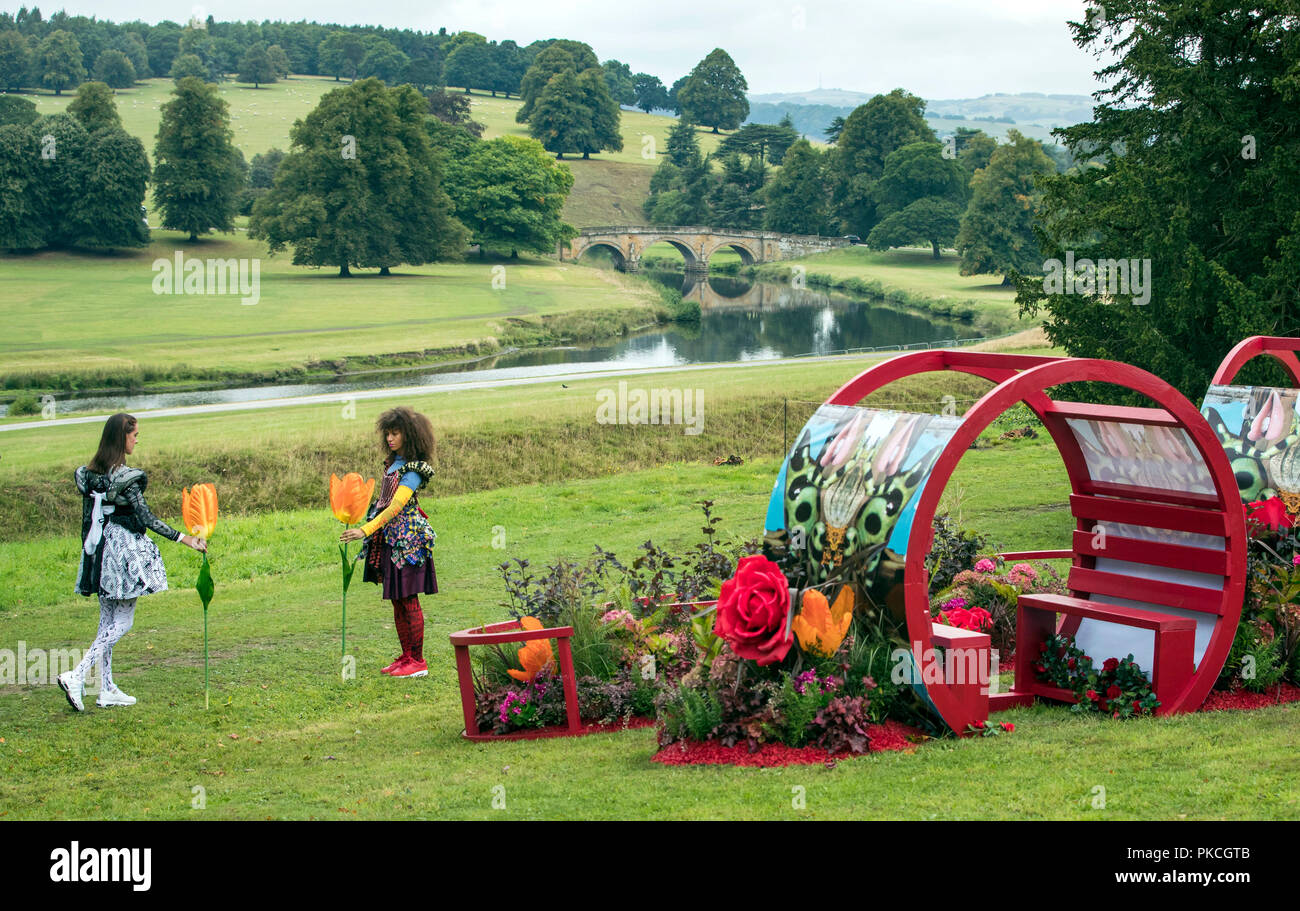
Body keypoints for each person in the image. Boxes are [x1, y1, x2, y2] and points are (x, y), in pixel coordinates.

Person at [59, 413, 207, 711]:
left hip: (98, 552)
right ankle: (76, 675)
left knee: (106, 622)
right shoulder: (127, 477)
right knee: (123, 622)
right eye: (134, 434)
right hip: (121, 552)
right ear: (121, 437)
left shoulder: (89, 475)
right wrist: (185, 539)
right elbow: (146, 518)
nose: (137, 439)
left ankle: (107, 689)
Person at [341, 407, 438, 678]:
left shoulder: (414, 469)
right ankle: (407, 655)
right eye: (388, 433)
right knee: (397, 600)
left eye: (396, 433)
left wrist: (365, 530)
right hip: (390, 541)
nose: (390, 438)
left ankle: (418, 661)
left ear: (411, 436)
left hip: (408, 542)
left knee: (408, 599)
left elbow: (396, 506)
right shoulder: (393, 463)